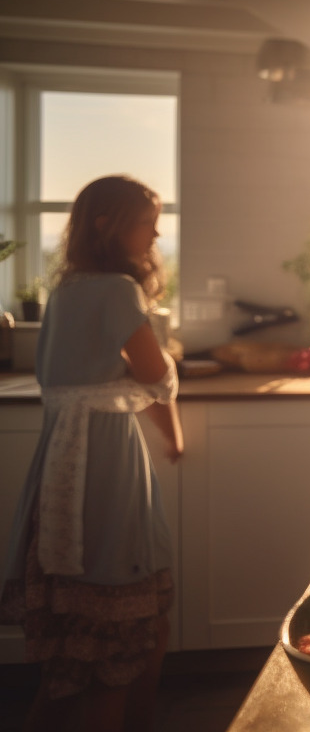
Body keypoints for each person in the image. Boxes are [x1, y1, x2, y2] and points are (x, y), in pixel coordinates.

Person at [1, 175, 184, 732]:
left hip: (59, 465)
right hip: (104, 465)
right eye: (146, 222)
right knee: (123, 644)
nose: (155, 234)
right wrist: (173, 427)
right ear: (106, 226)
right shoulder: (117, 290)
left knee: (73, 655)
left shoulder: (66, 291)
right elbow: (151, 374)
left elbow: (100, 378)